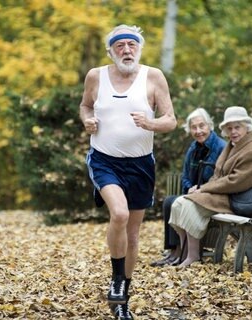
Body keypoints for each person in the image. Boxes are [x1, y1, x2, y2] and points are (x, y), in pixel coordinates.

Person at [80, 24, 176, 319]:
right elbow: (85, 106)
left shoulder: (153, 76)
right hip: (104, 160)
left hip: (141, 164)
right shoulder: (96, 76)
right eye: (119, 45)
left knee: (133, 235)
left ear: (139, 49)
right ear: (111, 51)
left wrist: (150, 124)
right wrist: (87, 120)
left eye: (131, 45)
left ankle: (123, 303)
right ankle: (116, 280)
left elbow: (171, 120)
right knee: (119, 214)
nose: (126, 50)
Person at [168, 106, 252, 268]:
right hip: (226, 195)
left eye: (237, 127)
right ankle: (187, 253)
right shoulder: (233, 145)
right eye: (229, 128)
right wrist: (202, 188)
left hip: (239, 199)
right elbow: (218, 173)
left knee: (188, 204)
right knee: (178, 204)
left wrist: (205, 189)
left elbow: (235, 181)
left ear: (247, 127)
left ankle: (193, 256)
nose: (233, 131)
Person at [150, 108, 226, 267]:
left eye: (202, 126)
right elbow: (185, 176)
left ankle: (182, 253)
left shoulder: (220, 147)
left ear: (210, 126)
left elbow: (221, 178)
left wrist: (202, 188)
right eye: (194, 127)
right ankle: (174, 251)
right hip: (195, 193)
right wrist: (189, 187)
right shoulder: (193, 149)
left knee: (175, 202)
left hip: (211, 195)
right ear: (189, 129)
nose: (198, 131)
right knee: (169, 201)